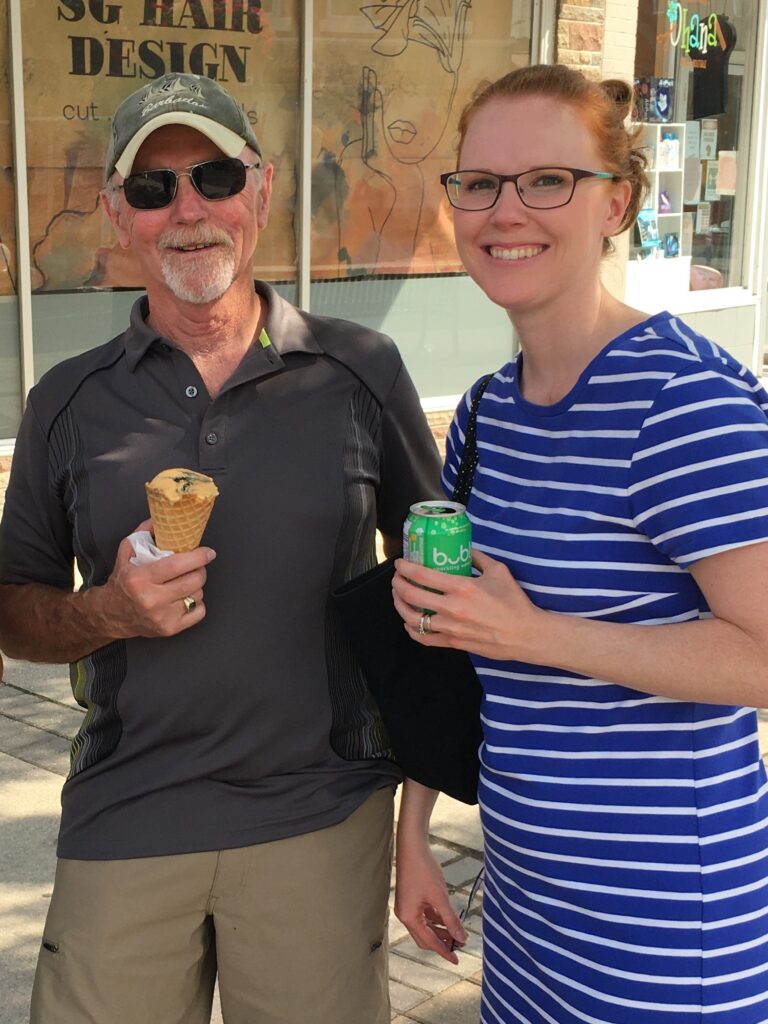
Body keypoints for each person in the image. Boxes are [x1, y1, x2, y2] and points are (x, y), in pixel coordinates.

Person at [0, 72, 443, 1024]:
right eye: (153, 187)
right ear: (118, 213)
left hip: (321, 815)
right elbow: (15, 615)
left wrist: (418, 822)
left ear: (263, 188)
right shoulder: (65, 402)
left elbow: (439, 601)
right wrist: (106, 612)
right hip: (128, 810)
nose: (189, 210)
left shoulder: (359, 372)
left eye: (215, 176)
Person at [392, 64, 768, 1024]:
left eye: (548, 180)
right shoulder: (487, 413)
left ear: (617, 204)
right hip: (525, 912)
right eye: (481, 183)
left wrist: (536, 634)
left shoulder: (685, 404)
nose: (505, 211)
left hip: (664, 933)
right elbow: (457, 648)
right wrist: (413, 835)